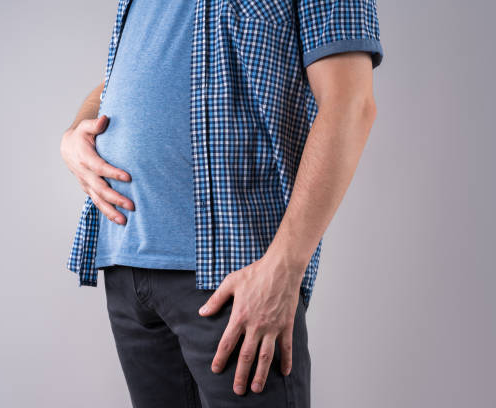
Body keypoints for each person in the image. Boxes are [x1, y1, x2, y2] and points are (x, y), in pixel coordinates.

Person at [60, 0, 383, 406]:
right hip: (127, 270)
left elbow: (349, 106)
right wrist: (75, 133)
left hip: (232, 276)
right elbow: (119, 79)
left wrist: (283, 267)